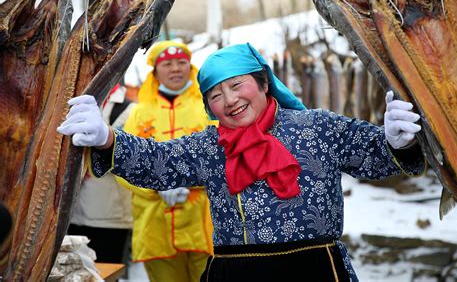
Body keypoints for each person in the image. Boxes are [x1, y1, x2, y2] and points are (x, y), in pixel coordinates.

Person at [58, 42, 425, 281]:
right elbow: (159, 162)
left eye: (237, 86)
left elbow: (375, 156)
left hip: (313, 269)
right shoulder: (211, 145)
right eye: (216, 95)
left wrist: (395, 140)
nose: (229, 100)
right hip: (235, 272)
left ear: (264, 83)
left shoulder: (318, 127)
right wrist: (107, 138)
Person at [111, 41, 214, 282]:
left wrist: (191, 183)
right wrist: (156, 188)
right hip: (155, 226)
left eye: (181, 63)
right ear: (155, 71)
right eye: (167, 64)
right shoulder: (139, 112)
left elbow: (224, 157)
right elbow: (120, 163)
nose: (176, 69)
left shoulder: (208, 106)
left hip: (205, 226)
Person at [67, 83, 134, 265]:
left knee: (106, 273)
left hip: (110, 218)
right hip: (69, 216)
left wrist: (89, 163)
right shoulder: (70, 102)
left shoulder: (130, 109)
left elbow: (134, 157)